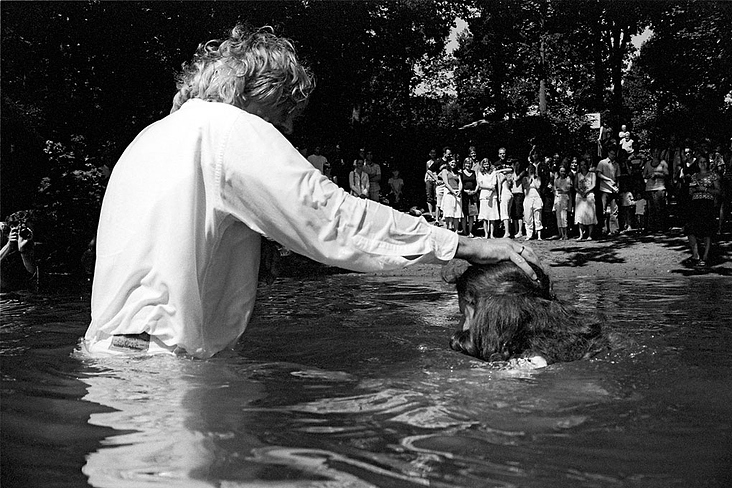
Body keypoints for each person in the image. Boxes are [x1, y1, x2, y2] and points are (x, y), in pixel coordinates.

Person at [82, 26, 542, 358]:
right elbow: (332, 218)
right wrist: (462, 244)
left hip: (107, 360)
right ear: (259, 90)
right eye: (286, 113)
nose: (286, 130)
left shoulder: (150, 138)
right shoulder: (229, 129)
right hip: (159, 366)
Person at [442, 259, 613, 368]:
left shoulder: (524, 366)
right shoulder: (578, 342)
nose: (464, 326)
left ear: (493, 316)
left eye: (465, 314)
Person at [686, 157, 721, 267]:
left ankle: (705, 257)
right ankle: (695, 255)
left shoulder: (713, 175)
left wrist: (705, 189)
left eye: (704, 162)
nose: (702, 164)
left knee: (707, 230)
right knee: (691, 229)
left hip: (707, 203)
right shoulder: (694, 176)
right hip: (695, 204)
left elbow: (719, 191)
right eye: (700, 162)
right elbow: (690, 191)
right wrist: (692, 190)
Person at [1, 210, 38, 292]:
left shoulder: (33, 243)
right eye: (20, 230)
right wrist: (9, 245)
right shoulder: (2, 239)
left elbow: (34, 274)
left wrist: (23, 251)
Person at [642, 151, 670, 233]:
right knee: (651, 208)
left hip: (660, 187)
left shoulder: (663, 163)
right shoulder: (647, 163)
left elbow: (667, 174)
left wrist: (657, 174)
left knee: (660, 207)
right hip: (650, 187)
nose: (655, 154)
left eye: (657, 152)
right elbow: (644, 175)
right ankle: (651, 227)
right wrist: (649, 176)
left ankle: (661, 226)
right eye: (654, 153)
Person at [595, 148, 620, 236]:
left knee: (614, 210)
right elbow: (598, 174)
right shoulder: (602, 163)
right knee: (603, 210)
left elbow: (618, 177)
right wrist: (608, 179)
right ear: (608, 153)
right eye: (612, 153)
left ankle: (614, 230)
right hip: (604, 189)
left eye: (614, 154)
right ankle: (604, 229)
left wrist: (617, 187)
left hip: (614, 190)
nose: (613, 155)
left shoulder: (616, 164)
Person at [574, 159, 598, 240]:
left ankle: (590, 235)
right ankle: (581, 235)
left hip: (589, 195)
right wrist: (581, 192)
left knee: (590, 215)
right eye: (581, 165)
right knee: (580, 215)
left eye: (584, 164)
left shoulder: (592, 174)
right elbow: (575, 186)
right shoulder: (578, 175)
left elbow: (593, 184)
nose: (583, 166)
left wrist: (587, 191)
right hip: (580, 196)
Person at [477, 159, 499, 238]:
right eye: (484, 164)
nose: (486, 166)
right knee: (484, 217)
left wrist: (490, 194)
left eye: (487, 164)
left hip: (492, 196)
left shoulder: (493, 173)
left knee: (492, 216)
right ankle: (486, 234)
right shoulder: (480, 173)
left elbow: (494, 185)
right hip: (483, 196)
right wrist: (489, 187)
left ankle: (492, 234)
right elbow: (480, 185)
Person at [440, 156, 463, 232]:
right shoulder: (445, 171)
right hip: (449, 192)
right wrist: (453, 191)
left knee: (457, 213)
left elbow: (460, 182)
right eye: (452, 162)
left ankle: (456, 230)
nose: (453, 164)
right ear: (448, 163)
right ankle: (448, 228)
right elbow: (446, 183)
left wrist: (459, 190)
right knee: (449, 212)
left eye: (455, 163)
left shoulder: (457, 172)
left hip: (457, 193)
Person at [523, 163, 543, 240]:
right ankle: (529, 234)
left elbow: (538, 186)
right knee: (528, 217)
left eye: (532, 169)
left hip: (536, 198)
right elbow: (525, 186)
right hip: (528, 198)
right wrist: (530, 179)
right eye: (530, 169)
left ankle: (539, 235)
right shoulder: (525, 178)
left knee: (538, 216)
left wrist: (533, 179)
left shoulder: (538, 178)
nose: (531, 170)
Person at [459, 157, 479, 236]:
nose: (468, 165)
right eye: (467, 163)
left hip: (473, 195)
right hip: (464, 195)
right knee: (464, 214)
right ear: (464, 164)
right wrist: (464, 190)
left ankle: (470, 231)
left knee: (471, 215)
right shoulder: (461, 173)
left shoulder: (474, 173)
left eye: (470, 163)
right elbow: (460, 184)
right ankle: (464, 230)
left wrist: (475, 191)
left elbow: (477, 183)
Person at [553, 165, 572, 240]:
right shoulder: (556, 180)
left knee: (564, 216)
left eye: (564, 171)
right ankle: (560, 234)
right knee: (558, 217)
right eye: (561, 171)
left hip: (565, 198)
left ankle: (565, 234)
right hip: (558, 198)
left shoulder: (568, 179)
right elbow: (555, 189)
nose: (562, 173)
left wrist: (562, 190)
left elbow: (569, 189)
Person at [424, 148, 439, 219]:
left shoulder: (438, 161)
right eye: (431, 153)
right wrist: (425, 178)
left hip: (436, 179)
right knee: (429, 196)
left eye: (434, 153)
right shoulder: (428, 162)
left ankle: (437, 213)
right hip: (429, 179)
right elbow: (427, 171)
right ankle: (431, 213)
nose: (433, 154)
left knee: (436, 197)